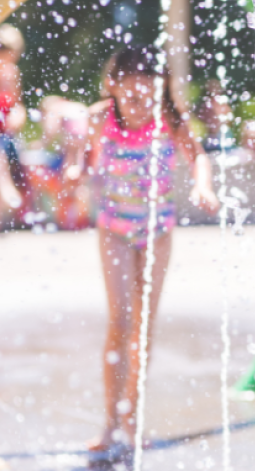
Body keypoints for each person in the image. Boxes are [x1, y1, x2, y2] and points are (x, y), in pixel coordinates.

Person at [70, 45, 218, 457]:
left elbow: (198, 157)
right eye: (132, 96)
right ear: (112, 86)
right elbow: (81, 154)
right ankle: (109, 420)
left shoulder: (169, 118)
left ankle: (132, 419)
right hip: (115, 229)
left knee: (143, 326)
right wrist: (76, 170)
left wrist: (203, 185)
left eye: (149, 95)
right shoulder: (100, 117)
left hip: (157, 233)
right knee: (120, 320)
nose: (140, 105)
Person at [27, 96, 91, 230]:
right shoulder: (76, 107)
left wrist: (40, 145)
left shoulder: (55, 110)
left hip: (71, 150)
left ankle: (60, 219)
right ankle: (81, 219)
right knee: (79, 182)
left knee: (63, 183)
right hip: (87, 148)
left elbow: (50, 132)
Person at [0, 24, 28, 220]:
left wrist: (17, 118)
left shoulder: (12, 73)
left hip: (7, 133)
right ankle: (6, 190)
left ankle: (8, 195)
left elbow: (18, 106)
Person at [196, 79, 236, 153]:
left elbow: (230, 118)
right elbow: (201, 117)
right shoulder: (207, 104)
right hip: (210, 136)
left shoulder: (222, 102)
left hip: (223, 135)